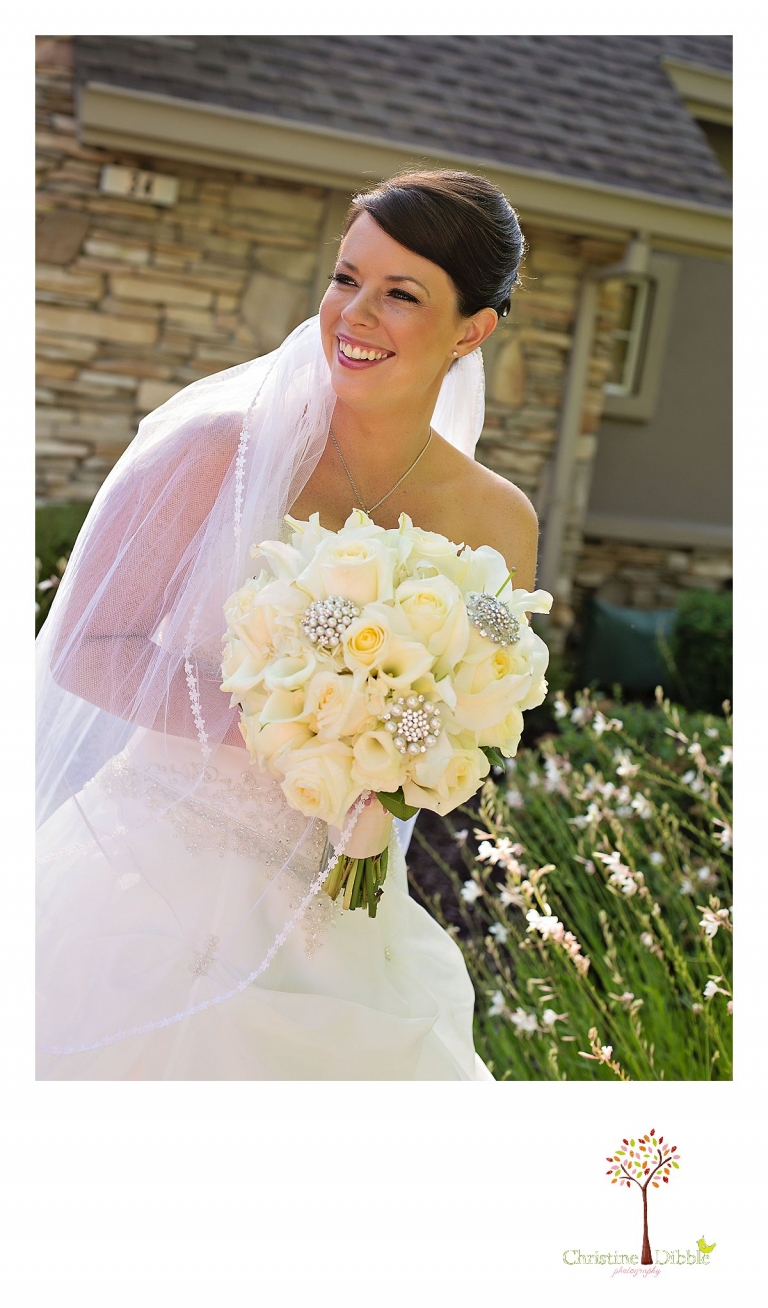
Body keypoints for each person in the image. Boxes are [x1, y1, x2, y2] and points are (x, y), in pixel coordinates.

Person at [35, 169, 539, 1080]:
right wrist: (288, 727)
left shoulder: (500, 524)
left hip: (341, 911)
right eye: (346, 278)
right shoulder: (213, 455)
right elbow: (81, 647)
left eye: (401, 294)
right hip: (152, 883)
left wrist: (395, 759)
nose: (354, 314)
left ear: (472, 329)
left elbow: (473, 723)